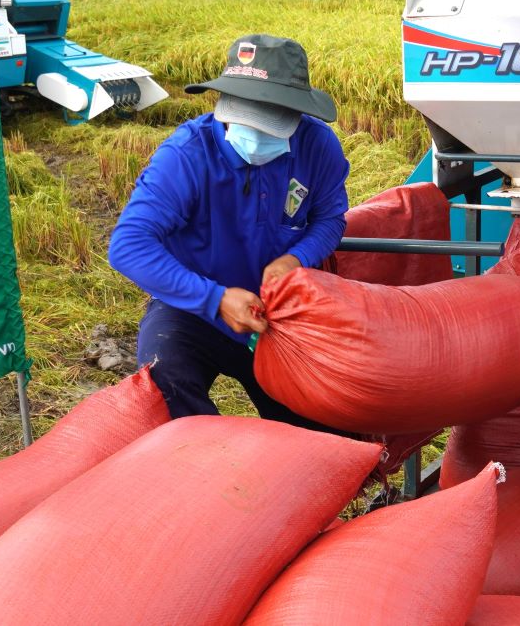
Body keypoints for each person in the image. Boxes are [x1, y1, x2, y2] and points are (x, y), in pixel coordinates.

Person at [109, 34, 349, 429]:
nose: (253, 133)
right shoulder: (186, 155)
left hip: (279, 307)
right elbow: (128, 246)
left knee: (317, 417)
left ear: (296, 113)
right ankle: (213, 470)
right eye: (243, 114)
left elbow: (330, 220)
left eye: (268, 120)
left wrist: (297, 258)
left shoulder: (318, 147)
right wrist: (214, 299)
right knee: (164, 379)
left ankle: (297, 475)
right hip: (191, 304)